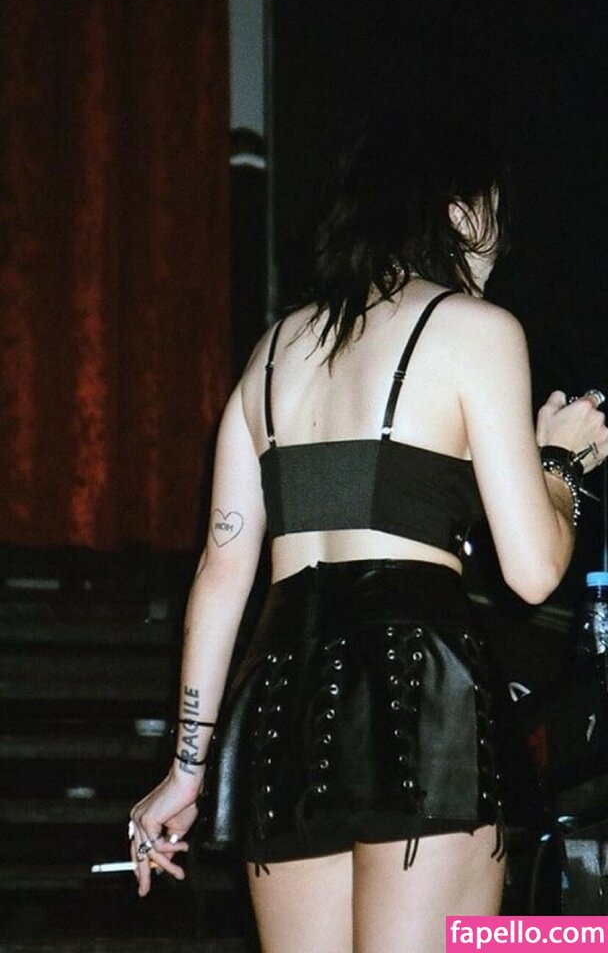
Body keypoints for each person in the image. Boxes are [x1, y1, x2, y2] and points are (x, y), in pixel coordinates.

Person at [129, 110, 608, 952]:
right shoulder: (477, 330)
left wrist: (186, 770)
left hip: (282, 698)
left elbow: (222, 572)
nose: (500, 241)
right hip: (419, 685)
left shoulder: (273, 351)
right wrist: (560, 463)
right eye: (494, 212)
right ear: (459, 212)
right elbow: (533, 570)